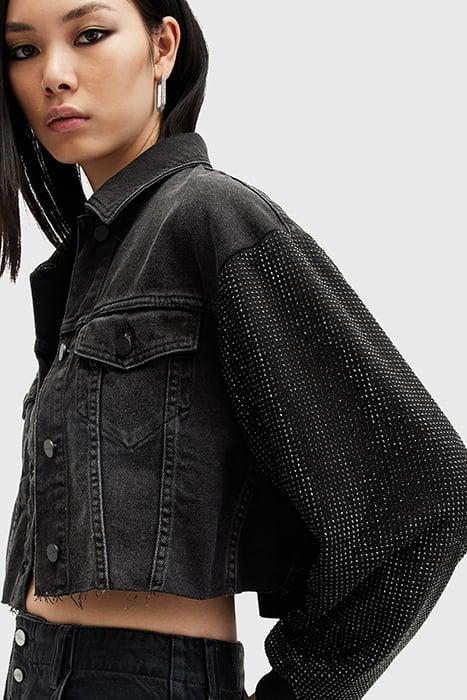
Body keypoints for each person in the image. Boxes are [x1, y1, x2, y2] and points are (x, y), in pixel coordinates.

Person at [1, 0, 467, 699]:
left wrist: (303, 688)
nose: (54, 75)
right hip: (36, 670)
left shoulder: (210, 216)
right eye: (23, 50)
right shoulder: (90, 261)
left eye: (89, 34)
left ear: (162, 47)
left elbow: (430, 494)